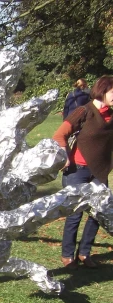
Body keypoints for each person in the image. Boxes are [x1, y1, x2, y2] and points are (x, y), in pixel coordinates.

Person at [53, 75, 113, 269]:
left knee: (98, 214)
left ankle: (85, 253)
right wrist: (65, 157)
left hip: (100, 171)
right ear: (102, 91)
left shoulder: (110, 115)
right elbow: (59, 134)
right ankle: (67, 256)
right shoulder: (84, 111)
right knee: (75, 214)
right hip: (77, 170)